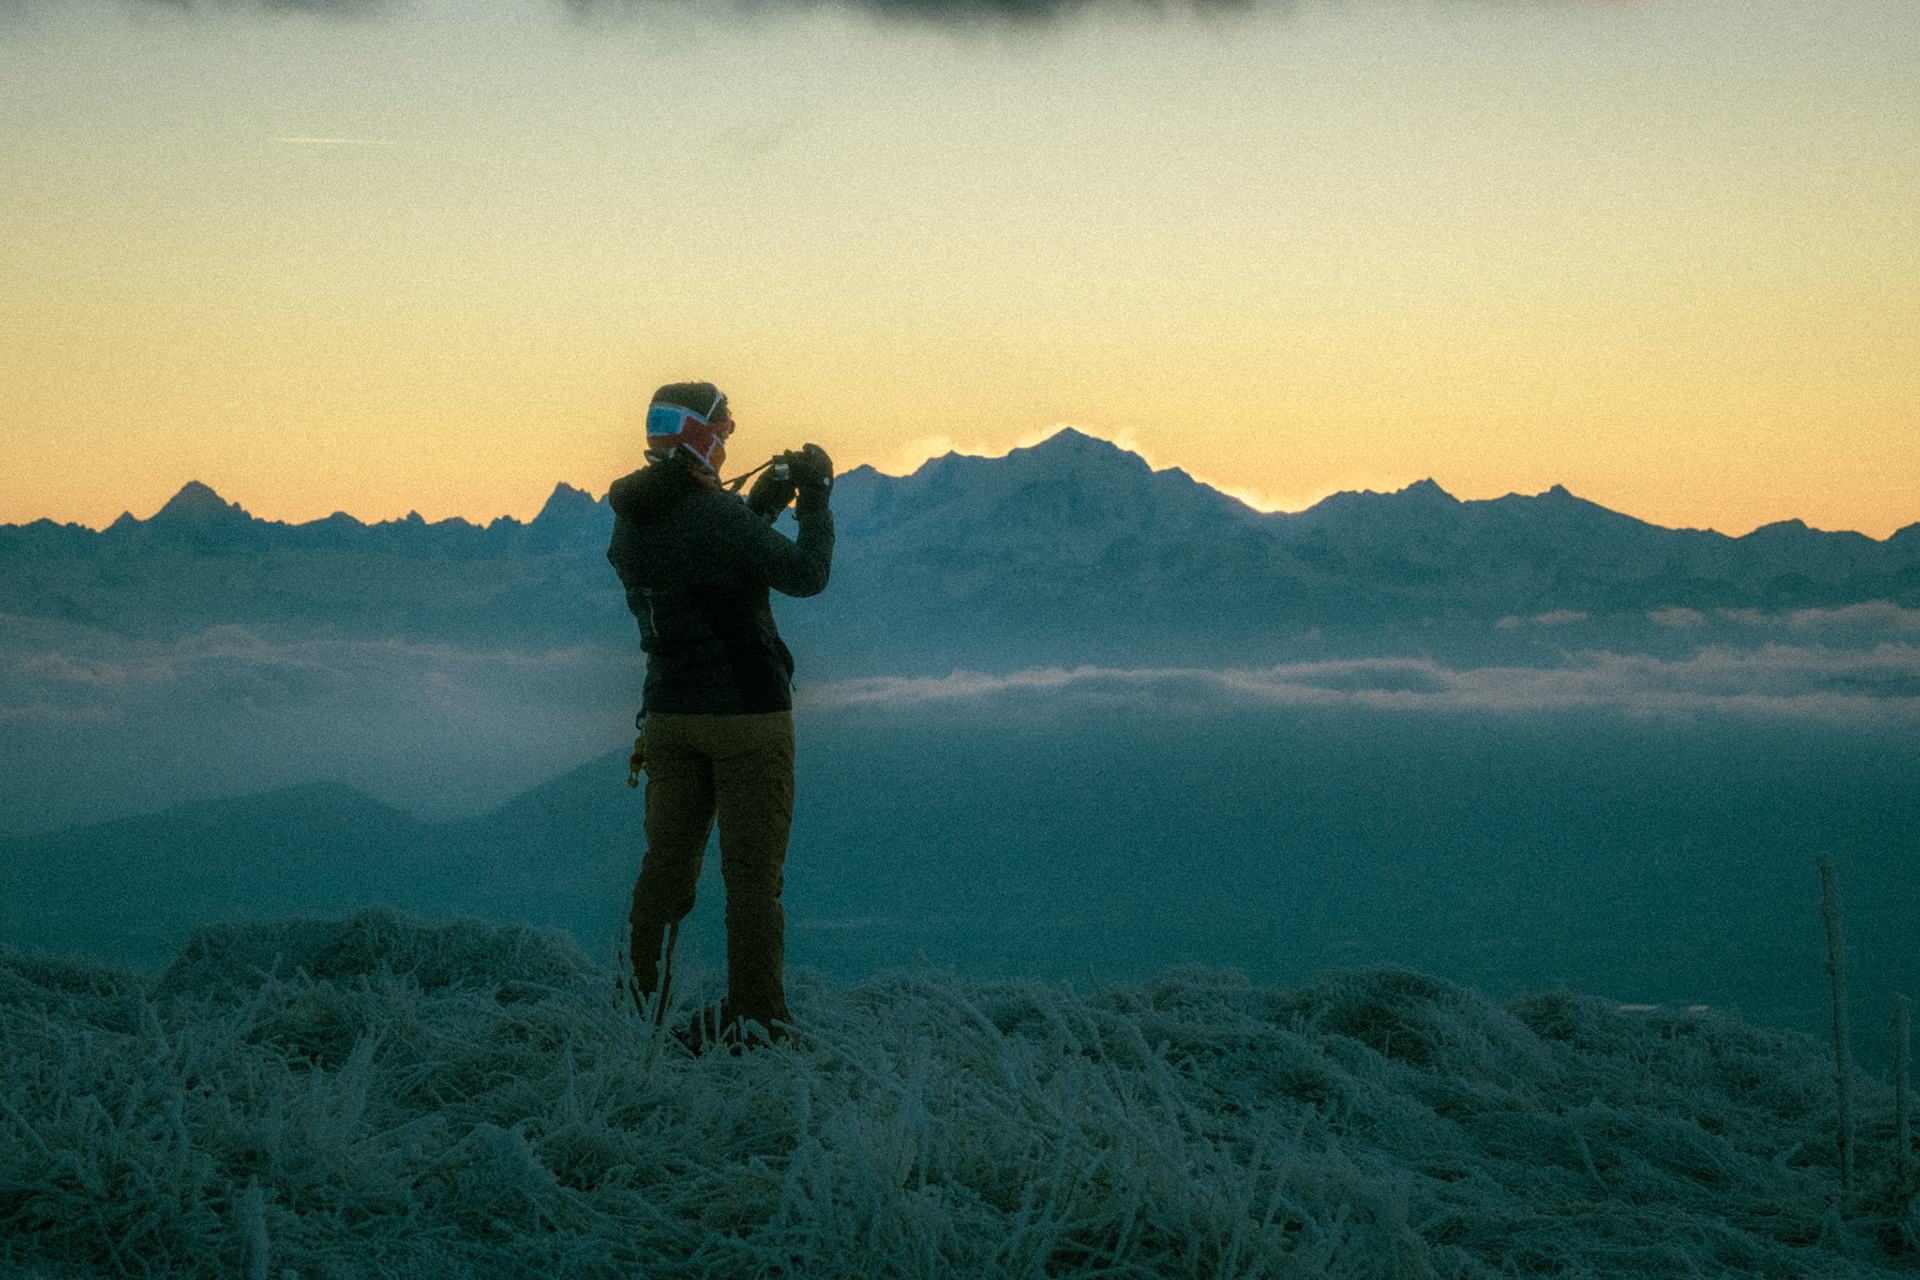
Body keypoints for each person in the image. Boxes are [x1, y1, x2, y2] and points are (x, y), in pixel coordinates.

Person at [605, 381, 834, 1050]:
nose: (731, 438)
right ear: (704, 436)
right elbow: (804, 575)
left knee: (666, 869)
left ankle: (637, 1009)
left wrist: (755, 508)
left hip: (671, 717)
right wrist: (814, 501)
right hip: (746, 716)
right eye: (725, 429)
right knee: (753, 884)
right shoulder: (716, 518)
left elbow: (706, 554)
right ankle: (756, 1020)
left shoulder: (632, 517)